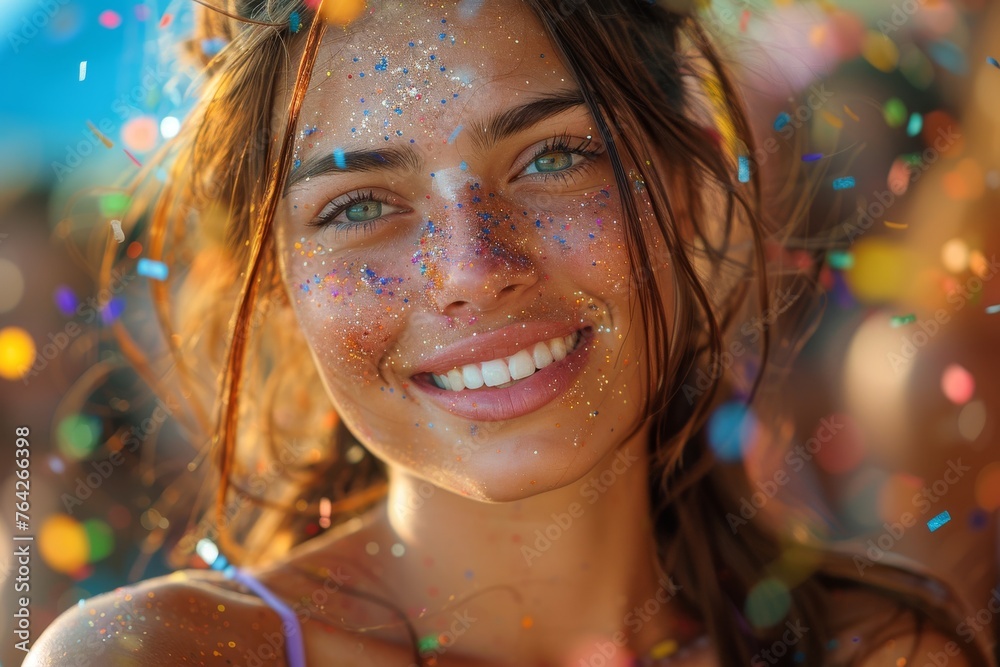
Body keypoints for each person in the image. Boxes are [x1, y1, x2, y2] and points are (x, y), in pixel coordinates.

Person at [25, 1, 995, 665]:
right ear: (274, 278)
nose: (474, 268)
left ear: (694, 188)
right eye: (360, 205)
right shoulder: (163, 657)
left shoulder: (880, 652)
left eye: (556, 156)